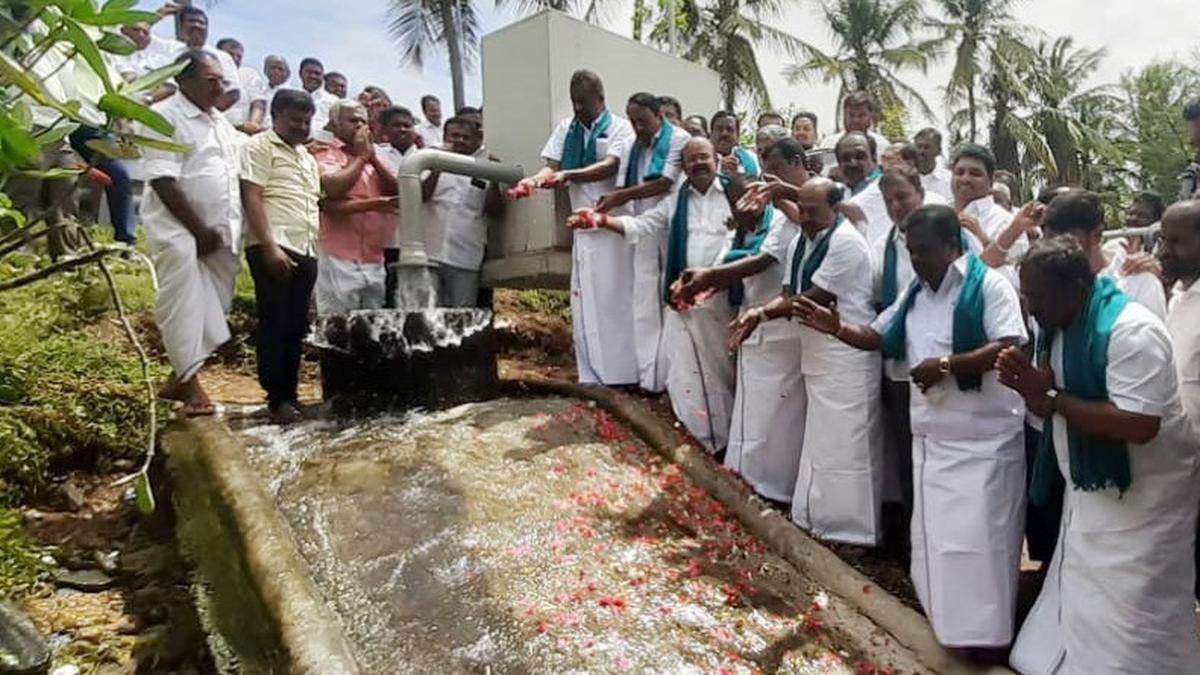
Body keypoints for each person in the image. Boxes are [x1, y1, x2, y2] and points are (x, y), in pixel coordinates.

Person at [796, 204, 1026, 660]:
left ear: (950, 246)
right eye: (910, 251)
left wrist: (946, 366)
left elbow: (1010, 342)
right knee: (940, 543)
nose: (915, 260)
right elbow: (880, 336)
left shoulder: (990, 287)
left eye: (923, 251)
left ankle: (986, 643)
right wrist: (837, 327)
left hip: (984, 444)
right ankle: (947, 631)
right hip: (934, 441)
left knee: (980, 546)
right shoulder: (916, 293)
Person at [1000, 236, 1200, 674]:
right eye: (1025, 295)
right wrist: (1030, 389)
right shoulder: (1057, 326)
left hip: (1147, 500)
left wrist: (1048, 396)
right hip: (1091, 495)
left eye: (1037, 298)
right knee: (1090, 604)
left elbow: (1139, 424)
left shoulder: (1131, 332)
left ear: (1076, 288)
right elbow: (1048, 402)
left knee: (1138, 613)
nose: (1030, 309)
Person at [730, 178, 883, 546]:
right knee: (822, 443)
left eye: (815, 211)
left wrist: (759, 314)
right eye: (804, 208)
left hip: (846, 355)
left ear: (836, 208)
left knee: (847, 447)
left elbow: (812, 297)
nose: (808, 217)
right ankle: (817, 519)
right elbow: (789, 292)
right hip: (816, 353)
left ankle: (853, 532)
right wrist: (765, 311)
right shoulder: (802, 239)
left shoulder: (846, 244)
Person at [570, 138, 736, 451]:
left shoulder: (734, 193)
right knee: (683, 369)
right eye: (691, 160)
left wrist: (710, 278)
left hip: (720, 298)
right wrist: (601, 220)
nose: (699, 164)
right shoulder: (676, 201)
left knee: (720, 371)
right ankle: (699, 440)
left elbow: (735, 241)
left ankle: (723, 441)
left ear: (716, 158)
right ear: (683, 167)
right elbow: (643, 224)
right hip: (684, 298)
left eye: (704, 157)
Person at [679, 137, 808, 502]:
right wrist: (697, 282)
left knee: (777, 419)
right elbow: (724, 264)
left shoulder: (781, 224)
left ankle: (774, 489)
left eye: (746, 207)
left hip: (780, 332)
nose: (743, 215)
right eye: (737, 211)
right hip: (752, 332)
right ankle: (745, 478)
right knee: (752, 413)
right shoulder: (740, 231)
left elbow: (759, 261)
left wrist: (707, 278)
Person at [517, 70, 638, 387]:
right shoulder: (566, 129)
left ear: (600, 98)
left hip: (611, 230)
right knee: (584, 302)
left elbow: (609, 166)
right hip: (582, 230)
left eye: (584, 102)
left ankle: (622, 374)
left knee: (614, 301)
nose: (579, 109)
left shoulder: (620, 128)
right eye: (574, 102)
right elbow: (552, 166)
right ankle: (591, 375)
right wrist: (534, 180)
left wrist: (569, 176)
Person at [140, 50, 243, 418]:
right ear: (184, 81)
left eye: (221, 80)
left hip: (220, 235)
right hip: (180, 232)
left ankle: (177, 377)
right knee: (183, 304)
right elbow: (164, 180)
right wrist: (197, 231)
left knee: (213, 307)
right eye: (211, 80)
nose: (220, 87)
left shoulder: (221, 123)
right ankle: (191, 386)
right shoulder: (165, 117)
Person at [870, 167, 950, 540]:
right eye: (888, 201)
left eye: (902, 196)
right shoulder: (886, 241)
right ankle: (914, 538)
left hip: (940, 368)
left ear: (920, 190)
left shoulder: (944, 233)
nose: (896, 206)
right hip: (898, 365)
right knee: (906, 453)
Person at [593, 92, 692, 393]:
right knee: (644, 299)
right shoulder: (632, 145)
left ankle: (676, 377)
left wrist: (618, 198)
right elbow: (624, 183)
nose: (638, 127)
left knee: (673, 296)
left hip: (674, 223)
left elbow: (664, 182)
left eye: (643, 121)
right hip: (642, 226)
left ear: (659, 116)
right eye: (633, 121)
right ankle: (650, 377)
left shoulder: (679, 138)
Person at [240, 89, 322, 425]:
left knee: (295, 325)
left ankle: (290, 395)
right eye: (295, 120)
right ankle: (277, 399)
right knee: (275, 323)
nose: (302, 126)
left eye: (306, 121)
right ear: (275, 116)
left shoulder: (307, 157)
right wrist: (270, 245)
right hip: (274, 244)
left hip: (306, 247)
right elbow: (252, 196)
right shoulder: (258, 147)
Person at [312, 100, 399, 314]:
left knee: (372, 327)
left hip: (373, 256)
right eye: (353, 120)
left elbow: (396, 189)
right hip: (337, 255)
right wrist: (361, 157)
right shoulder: (326, 152)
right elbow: (333, 190)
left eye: (363, 121)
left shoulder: (375, 156)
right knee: (337, 326)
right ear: (334, 123)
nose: (360, 126)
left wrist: (372, 157)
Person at [1158, 200, 1200, 599]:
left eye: (1176, 242)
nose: (1164, 250)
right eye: (1162, 240)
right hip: (1181, 462)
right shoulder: (1178, 296)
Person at [1041, 189, 1167, 319]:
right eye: (1049, 239)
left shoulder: (1139, 283)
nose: (1056, 248)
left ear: (1096, 235)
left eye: (1065, 240)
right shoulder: (1049, 287)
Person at [420, 116, 505, 306]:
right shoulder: (427, 159)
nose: (459, 141)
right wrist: (438, 166)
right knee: (427, 317)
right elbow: (421, 195)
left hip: (465, 257)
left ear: (478, 141)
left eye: (466, 137)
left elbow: (496, 212)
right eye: (454, 136)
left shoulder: (485, 165)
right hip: (429, 255)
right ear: (444, 137)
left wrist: (494, 176)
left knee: (463, 318)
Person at [949, 144, 1024, 281]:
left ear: (990, 181)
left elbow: (1015, 274)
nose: (965, 179)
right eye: (959, 172)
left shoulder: (1008, 222)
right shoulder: (939, 213)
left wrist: (983, 239)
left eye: (975, 174)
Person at [170, 7, 240, 113]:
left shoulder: (222, 57)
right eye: (191, 21)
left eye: (201, 23)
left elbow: (233, 93)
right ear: (181, 27)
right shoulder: (172, 55)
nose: (197, 25)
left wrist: (205, 112)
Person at [839, 133, 889, 247]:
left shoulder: (881, 188)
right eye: (846, 158)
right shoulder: (844, 190)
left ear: (874, 158)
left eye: (860, 156)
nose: (853, 163)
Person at [818, 92, 889, 163]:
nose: (856, 120)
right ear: (844, 115)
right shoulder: (829, 144)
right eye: (851, 115)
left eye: (861, 115)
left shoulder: (883, 146)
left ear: (870, 116)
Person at [216, 38, 267, 135]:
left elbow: (258, 103)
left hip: (243, 133)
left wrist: (253, 124)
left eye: (239, 56)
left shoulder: (249, 74)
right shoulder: (207, 74)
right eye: (230, 54)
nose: (235, 59)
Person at [710, 110, 759, 192]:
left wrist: (737, 176)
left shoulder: (752, 159)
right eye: (719, 129)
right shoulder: (703, 159)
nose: (724, 133)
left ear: (738, 135)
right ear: (711, 134)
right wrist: (718, 169)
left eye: (729, 129)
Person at [299, 57, 337, 136]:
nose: (313, 76)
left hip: (323, 145)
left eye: (317, 73)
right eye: (309, 72)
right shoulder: (290, 97)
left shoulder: (334, 101)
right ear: (300, 73)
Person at [913, 128, 952, 202]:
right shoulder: (904, 178)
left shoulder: (949, 180)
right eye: (918, 146)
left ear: (938, 151)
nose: (921, 151)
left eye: (927, 147)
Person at [375, 106, 418, 171]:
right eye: (397, 126)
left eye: (407, 126)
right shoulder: (378, 154)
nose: (403, 129)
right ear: (385, 130)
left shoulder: (427, 156)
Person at [259, 55, 291, 129]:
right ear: (265, 71)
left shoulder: (292, 94)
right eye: (273, 68)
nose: (276, 71)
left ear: (288, 74)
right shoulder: (259, 91)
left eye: (280, 69)